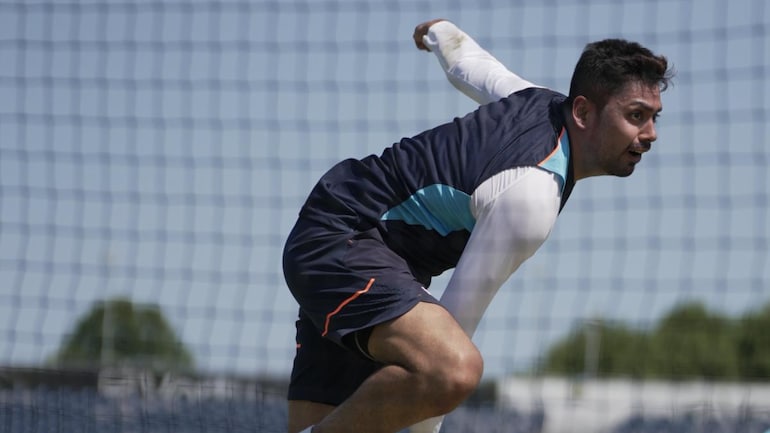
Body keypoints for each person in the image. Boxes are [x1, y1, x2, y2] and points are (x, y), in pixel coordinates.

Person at [282, 18, 673, 433]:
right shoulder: (531, 195)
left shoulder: (537, 100)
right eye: (636, 116)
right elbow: (453, 341)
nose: (650, 134)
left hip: (352, 244)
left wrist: (439, 32)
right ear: (582, 111)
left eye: (654, 118)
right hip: (344, 245)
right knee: (457, 369)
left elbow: (472, 65)